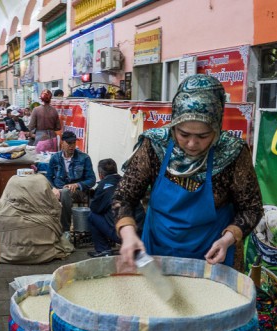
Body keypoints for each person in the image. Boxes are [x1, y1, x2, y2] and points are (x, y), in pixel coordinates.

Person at [113, 74, 264, 272]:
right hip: (157, 252)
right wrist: (129, 234)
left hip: (212, 256)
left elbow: (251, 208)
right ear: (174, 124)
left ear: (217, 128)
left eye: (203, 136)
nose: (192, 144)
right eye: (183, 134)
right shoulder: (155, 146)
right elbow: (123, 197)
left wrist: (228, 239)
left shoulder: (232, 152)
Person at [87, 158, 144, 257]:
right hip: (141, 232)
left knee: (92, 215)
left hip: (124, 233)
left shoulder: (103, 186)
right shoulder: (127, 182)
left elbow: (95, 208)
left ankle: (103, 250)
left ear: (100, 174)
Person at [47, 131, 96, 233]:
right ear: (62, 143)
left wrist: (77, 184)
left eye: (74, 143)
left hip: (78, 192)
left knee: (65, 192)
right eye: (69, 143)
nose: (72, 146)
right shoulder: (55, 158)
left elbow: (92, 180)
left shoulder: (84, 158)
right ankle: (49, 231)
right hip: (57, 190)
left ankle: (66, 230)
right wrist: (53, 188)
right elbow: (48, 178)